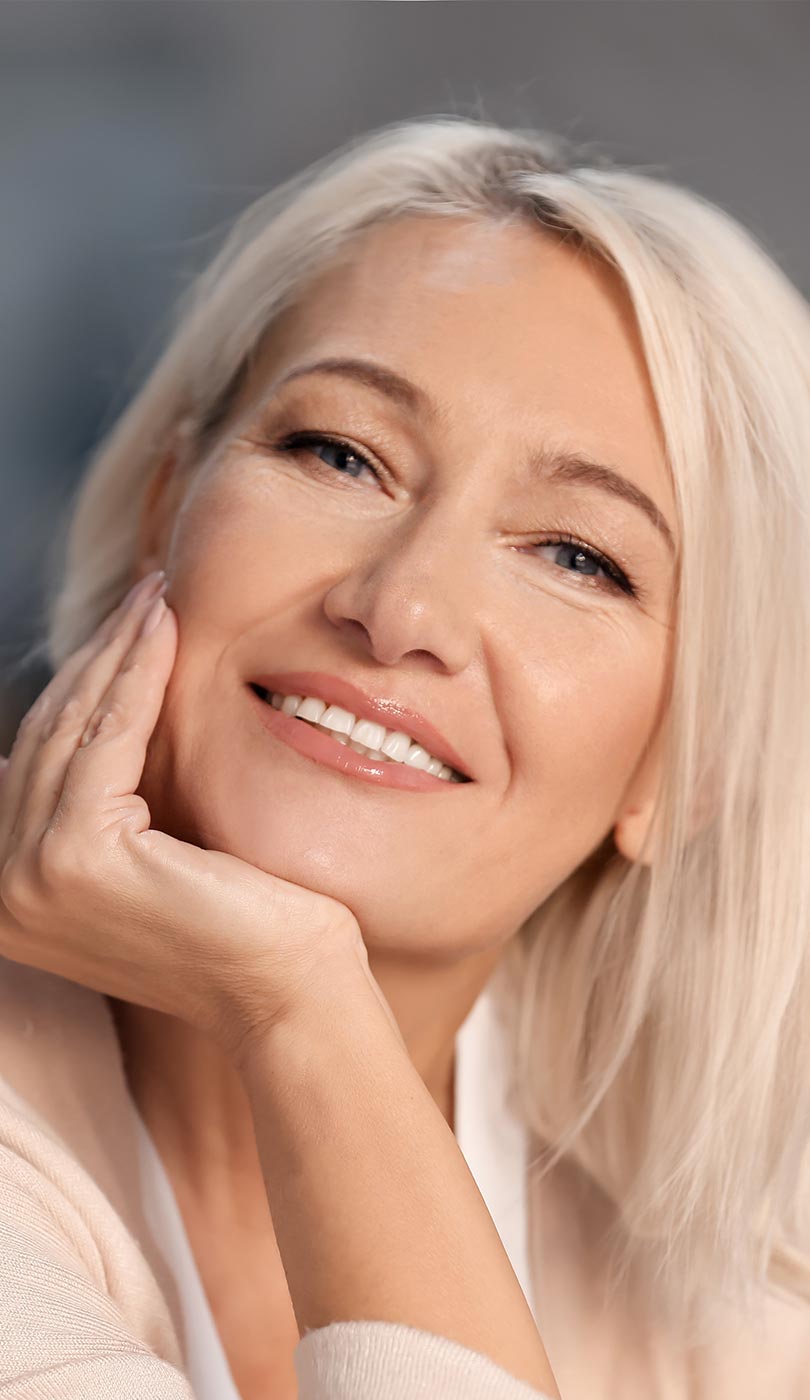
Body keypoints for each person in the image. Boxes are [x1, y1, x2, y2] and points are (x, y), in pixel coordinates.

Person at [1, 115, 809, 1400]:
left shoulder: (751, 1312)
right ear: (170, 510)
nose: (404, 608)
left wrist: (298, 1007)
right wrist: (303, 1003)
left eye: (577, 555)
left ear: (688, 762)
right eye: (340, 453)